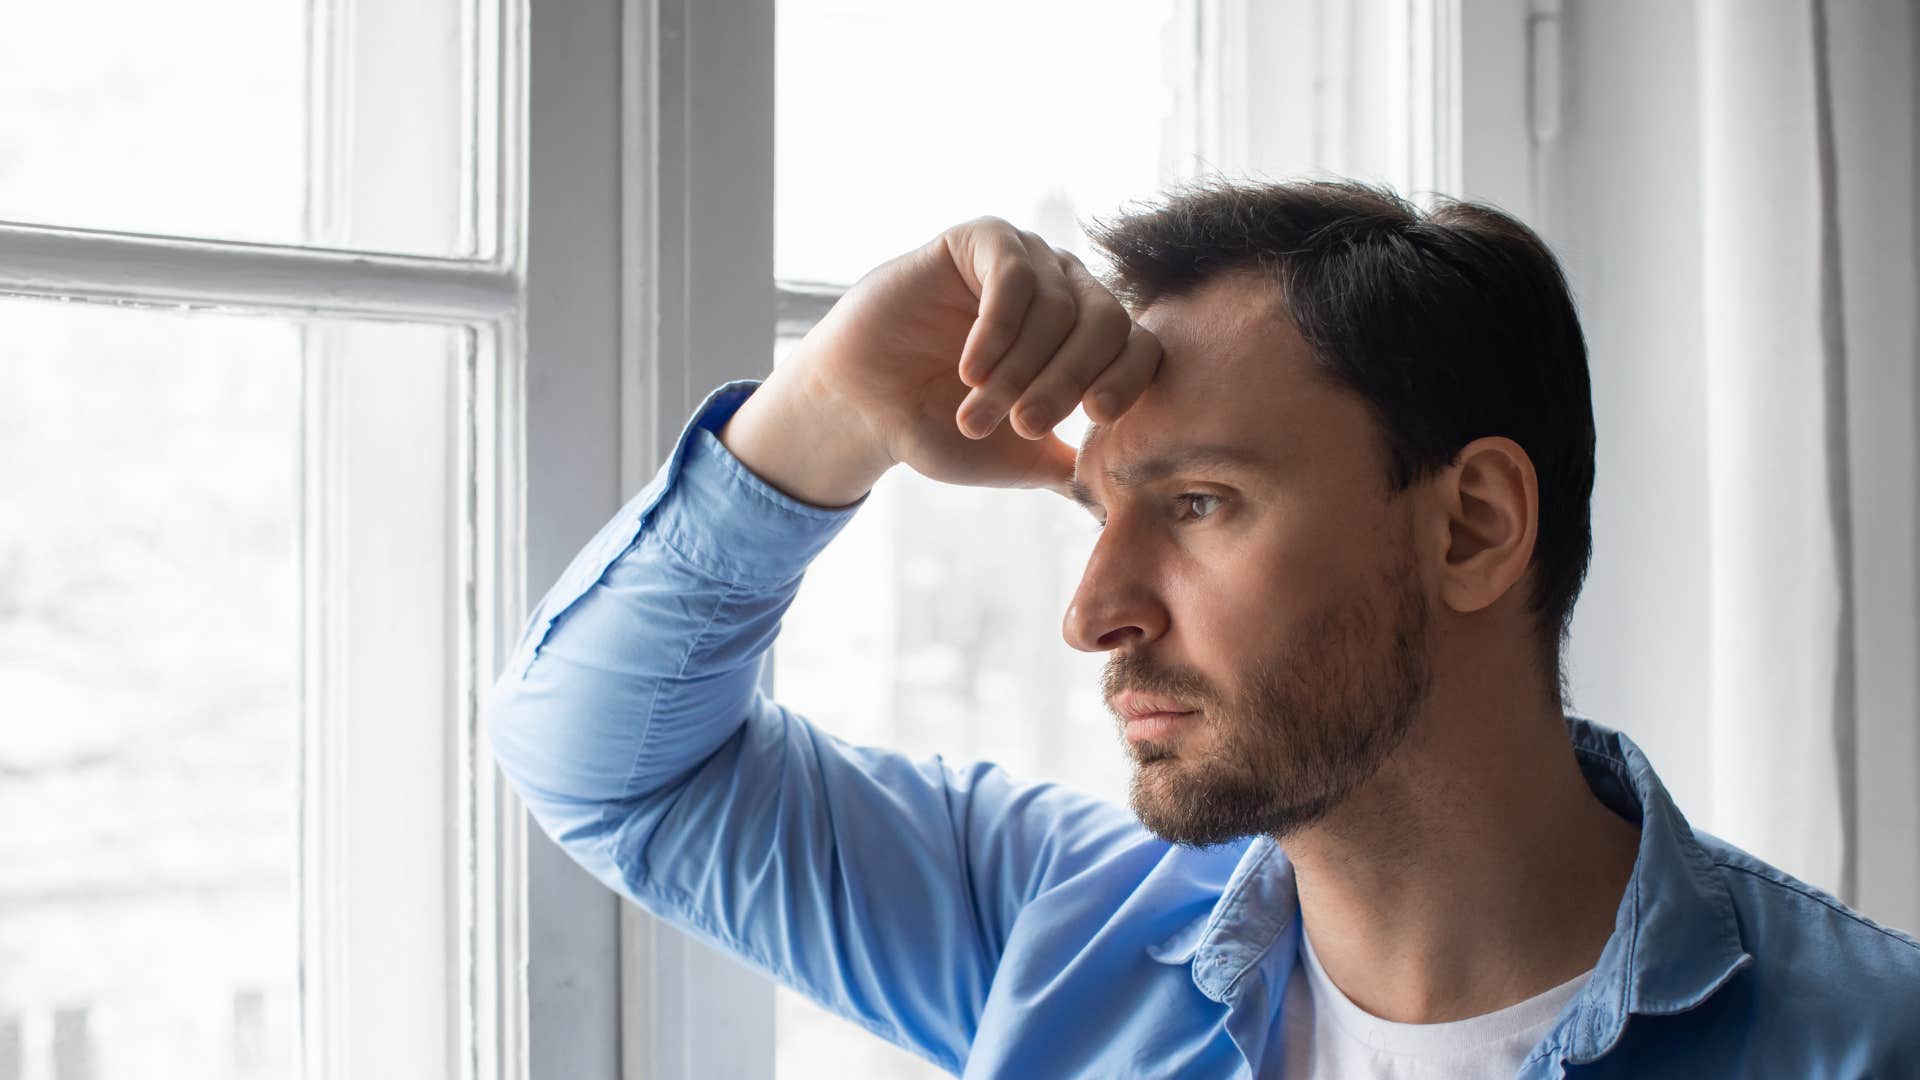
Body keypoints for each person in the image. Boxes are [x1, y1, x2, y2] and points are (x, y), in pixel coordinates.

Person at [486, 179, 1920, 1078]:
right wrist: (826, 417)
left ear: (1472, 526)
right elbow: (609, 765)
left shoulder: (1863, 1042)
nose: (1094, 612)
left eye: (1199, 505)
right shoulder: (1057, 930)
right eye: (1098, 513)